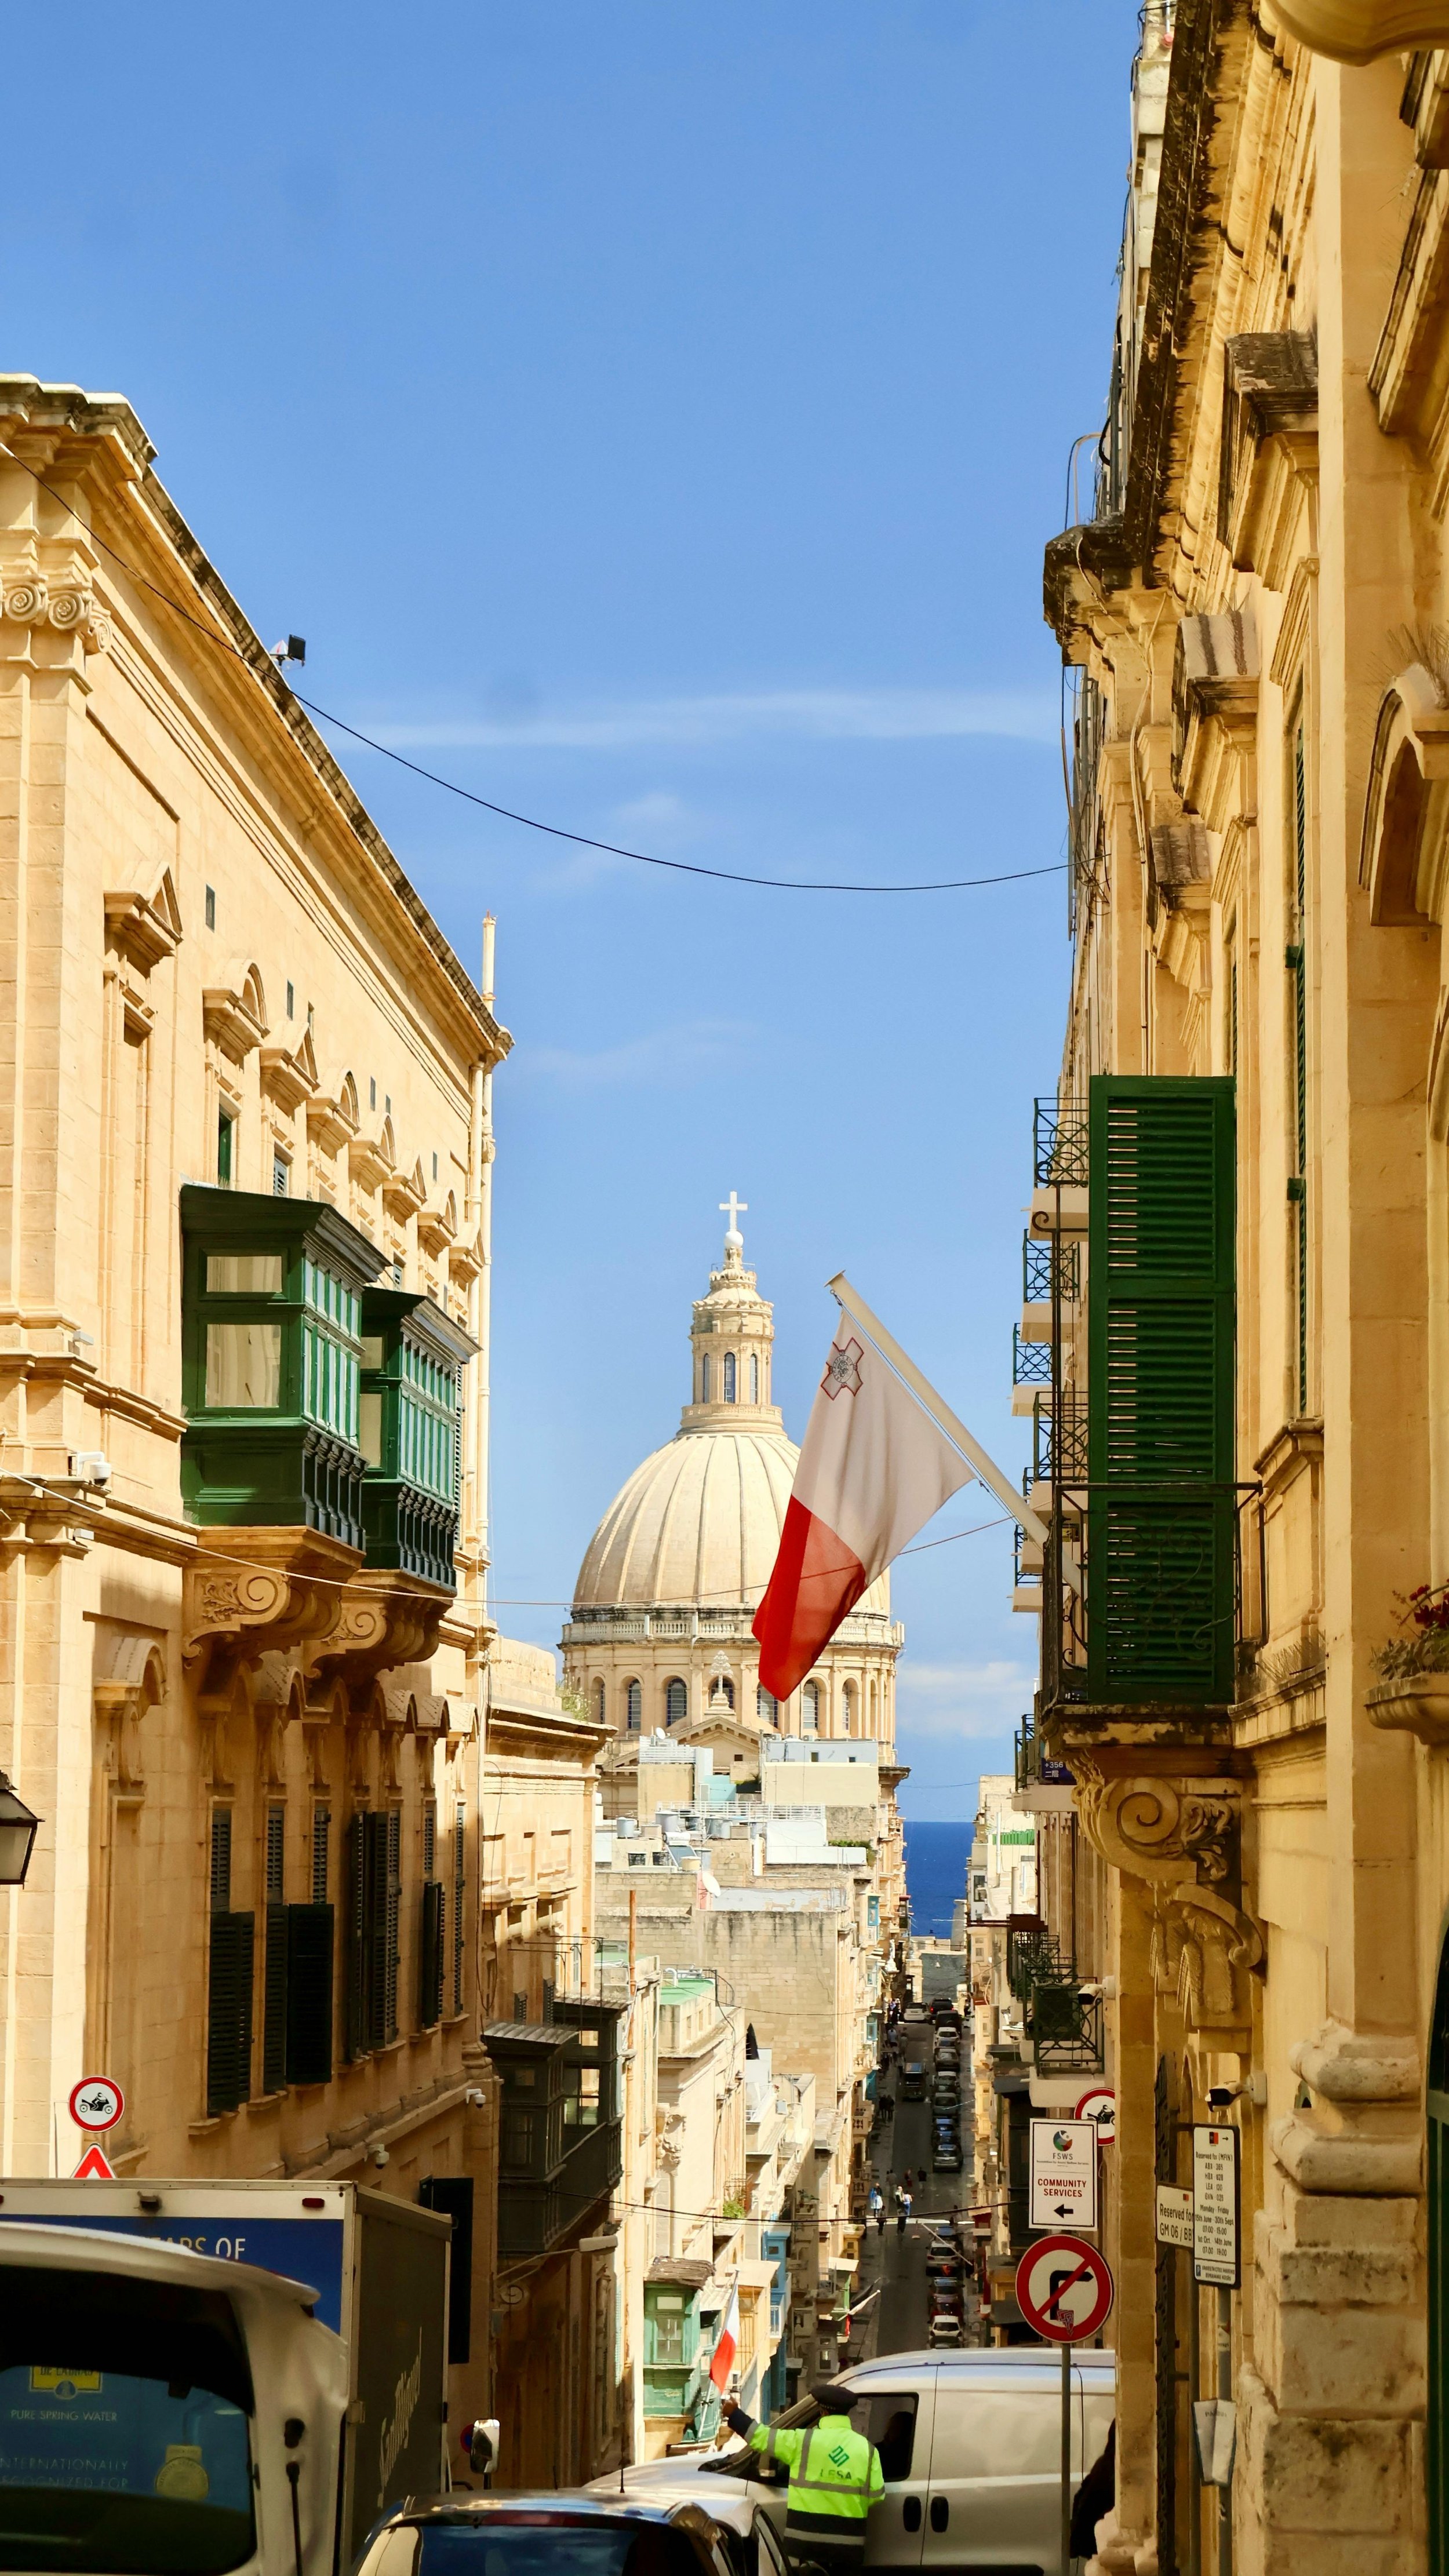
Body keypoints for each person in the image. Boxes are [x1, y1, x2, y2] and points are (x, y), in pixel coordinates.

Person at [725, 2382, 884, 2573]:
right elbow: (876, 2496)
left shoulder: (802, 2441)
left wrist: (734, 2414)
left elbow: (762, 2438)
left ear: (823, 2412)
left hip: (805, 2547)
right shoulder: (868, 2450)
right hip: (848, 2549)